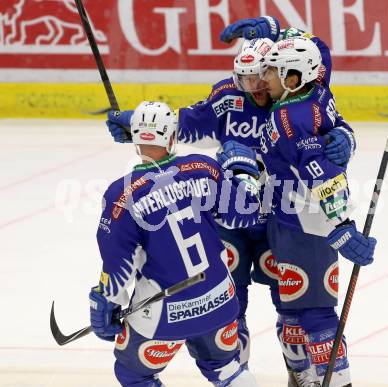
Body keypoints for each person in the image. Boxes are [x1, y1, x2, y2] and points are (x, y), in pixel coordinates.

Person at [106, 18, 355, 386]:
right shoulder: (227, 97)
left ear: (275, 72)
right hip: (231, 217)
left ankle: (301, 374)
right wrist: (139, 123)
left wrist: (345, 136)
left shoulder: (290, 97)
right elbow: (185, 123)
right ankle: (238, 376)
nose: (255, 87)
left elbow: (322, 86)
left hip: (281, 220)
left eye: (261, 77)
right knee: (229, 305)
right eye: (245, 79)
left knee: (293, 305)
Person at [89, 101, 263, 386]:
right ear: (172, 137)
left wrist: (105, 303)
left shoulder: (121, 196)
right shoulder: (203, 167)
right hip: (218, 298)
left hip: (164, 312)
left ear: (135, 140)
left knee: (134, 374)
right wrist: (246, 176)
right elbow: (244, 214)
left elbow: (117, 266)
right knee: (226, 369)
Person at [257, 37, 377, 387]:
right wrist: (346, 136)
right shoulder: (318, 92)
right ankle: (305, 378)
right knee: (291, 311)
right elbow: (319, 52)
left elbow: (321, 175)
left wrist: (341, 225)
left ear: (293, 78)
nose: (265, 78)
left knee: (315, 314)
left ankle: (334, 382)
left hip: (306, 227)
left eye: (273, 72)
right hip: (284, 220)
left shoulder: (287, 117)